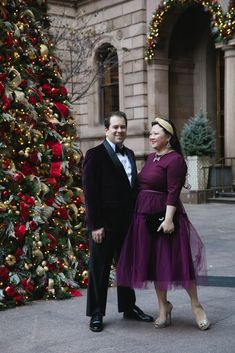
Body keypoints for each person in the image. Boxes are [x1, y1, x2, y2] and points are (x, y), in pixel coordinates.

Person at [117, 117, 210, 331]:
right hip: (143, 216)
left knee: (179, 261)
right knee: (154, 263)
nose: (151, 136)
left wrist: (169, 219)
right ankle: (163, 307)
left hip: (163, 216)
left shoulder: (175, 159)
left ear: (168, 137)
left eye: (156, 133)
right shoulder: (151, 158)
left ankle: (196, 306)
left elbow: (173, 190)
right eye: (151, 132)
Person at [82, 111, 153, 332]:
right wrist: (95, 224)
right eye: (115, 127)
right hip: (104, 225)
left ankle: (129, 307)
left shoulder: (130, 153)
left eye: (123, 127)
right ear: (107, 130)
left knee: (126, 268)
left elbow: (132, 188)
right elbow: (90, 193)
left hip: (127, 224)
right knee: (99, 270)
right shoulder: (95, 154)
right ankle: (96, 313)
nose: (120, 131)